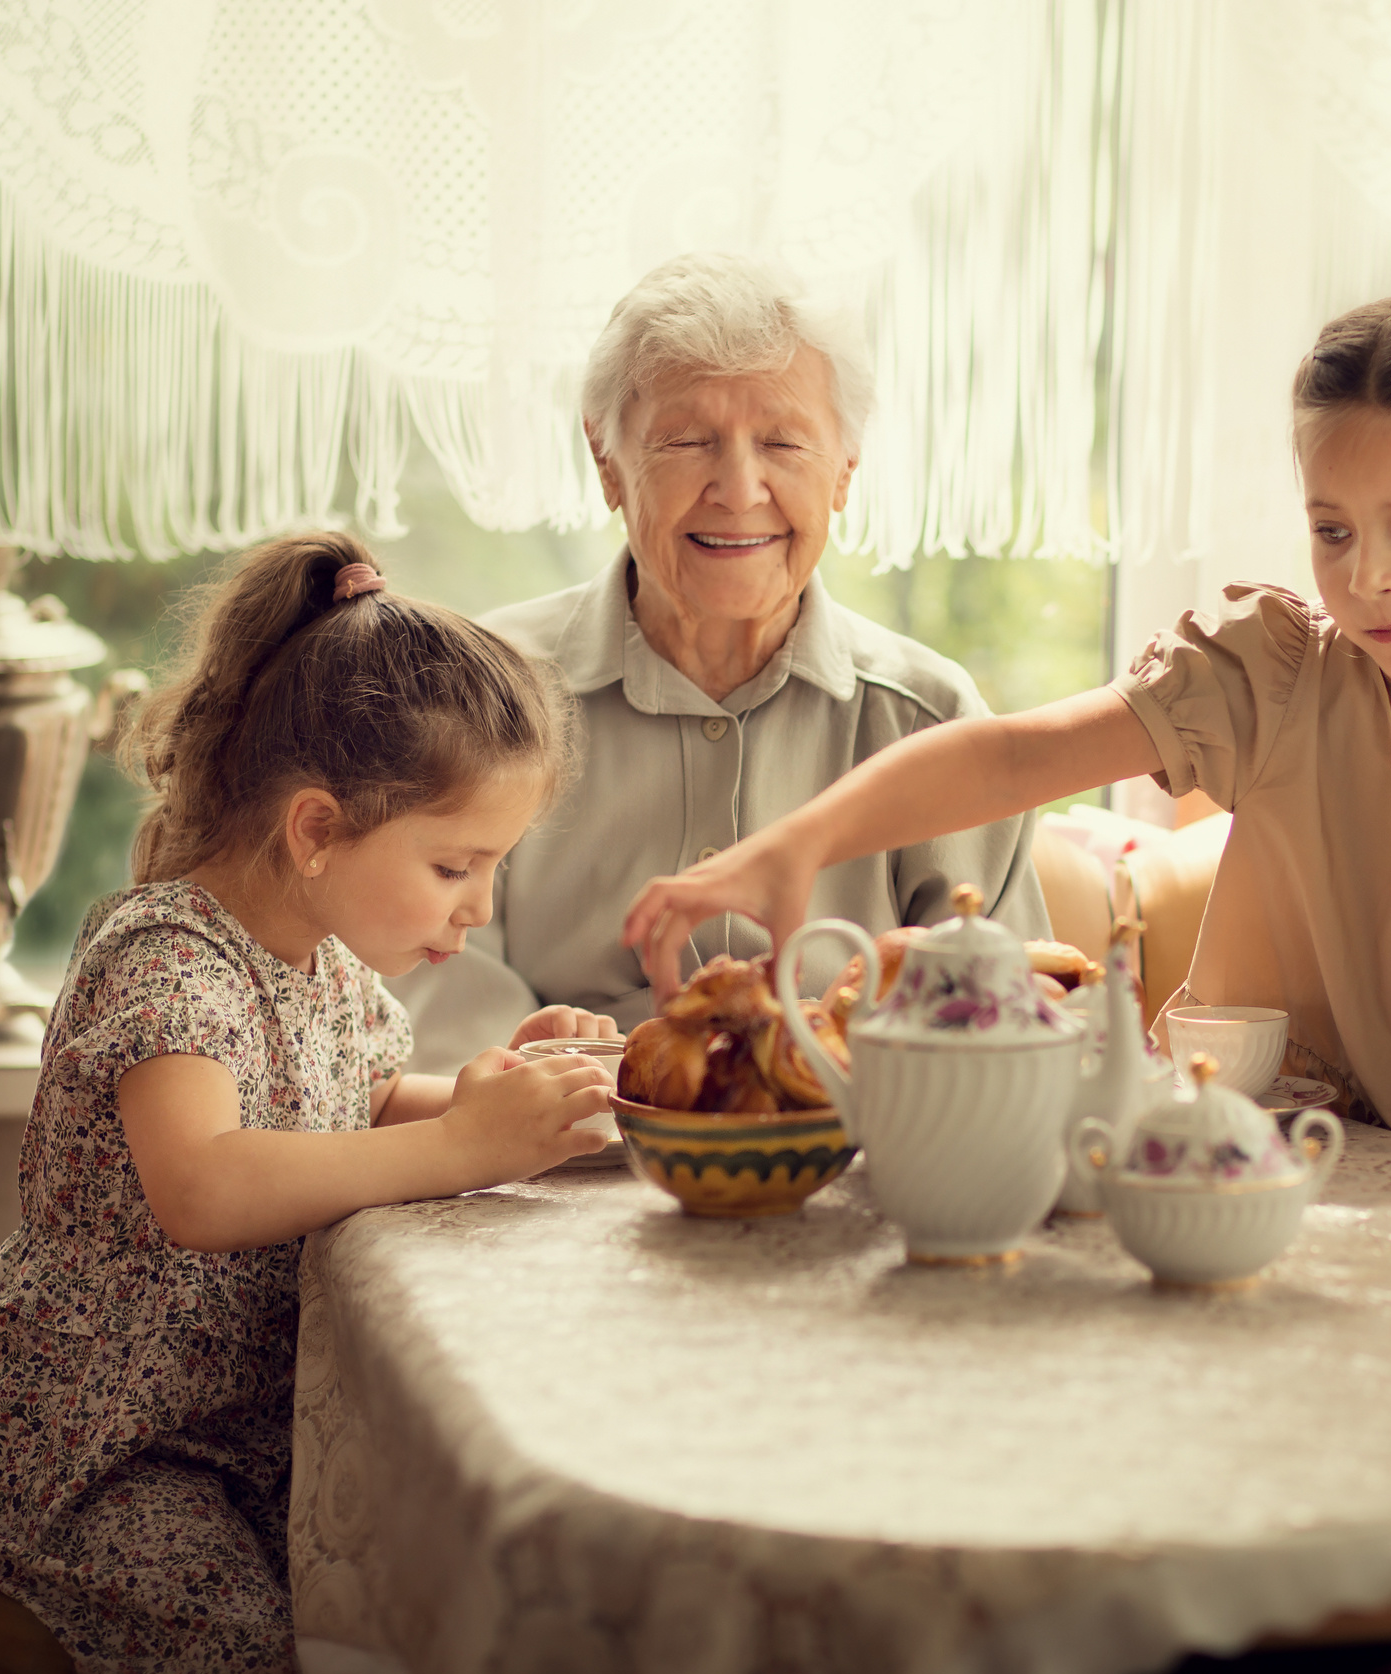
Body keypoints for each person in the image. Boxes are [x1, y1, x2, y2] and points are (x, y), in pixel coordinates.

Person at [623, 281, 1391, 1373]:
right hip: (1286, 1207)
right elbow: (1015, 754)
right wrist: (796, 845)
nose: (1364, 579)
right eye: (1331, 529)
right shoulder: (1281, 674)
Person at [0, 534, 619, 1674]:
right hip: (97, 1451)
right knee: (255, 1665)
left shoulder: (321, 966)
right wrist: (462, 1148)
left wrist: (497, 1100)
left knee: (433, 1583)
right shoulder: (169, 958)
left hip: (234, 1439)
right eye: (454, 867)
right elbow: (206, 1184)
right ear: (316, 830)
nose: (478, 909)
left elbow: (360, 1106)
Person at [388, 253, 1047, 1069]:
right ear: (607, 463)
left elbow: (1008, 1025)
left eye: (783, 441)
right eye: (688, 440)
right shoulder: (483, 693)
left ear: (845, 469)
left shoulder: (929, 719)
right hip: (543, 1153)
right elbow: (425, 987)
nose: (738, 488)